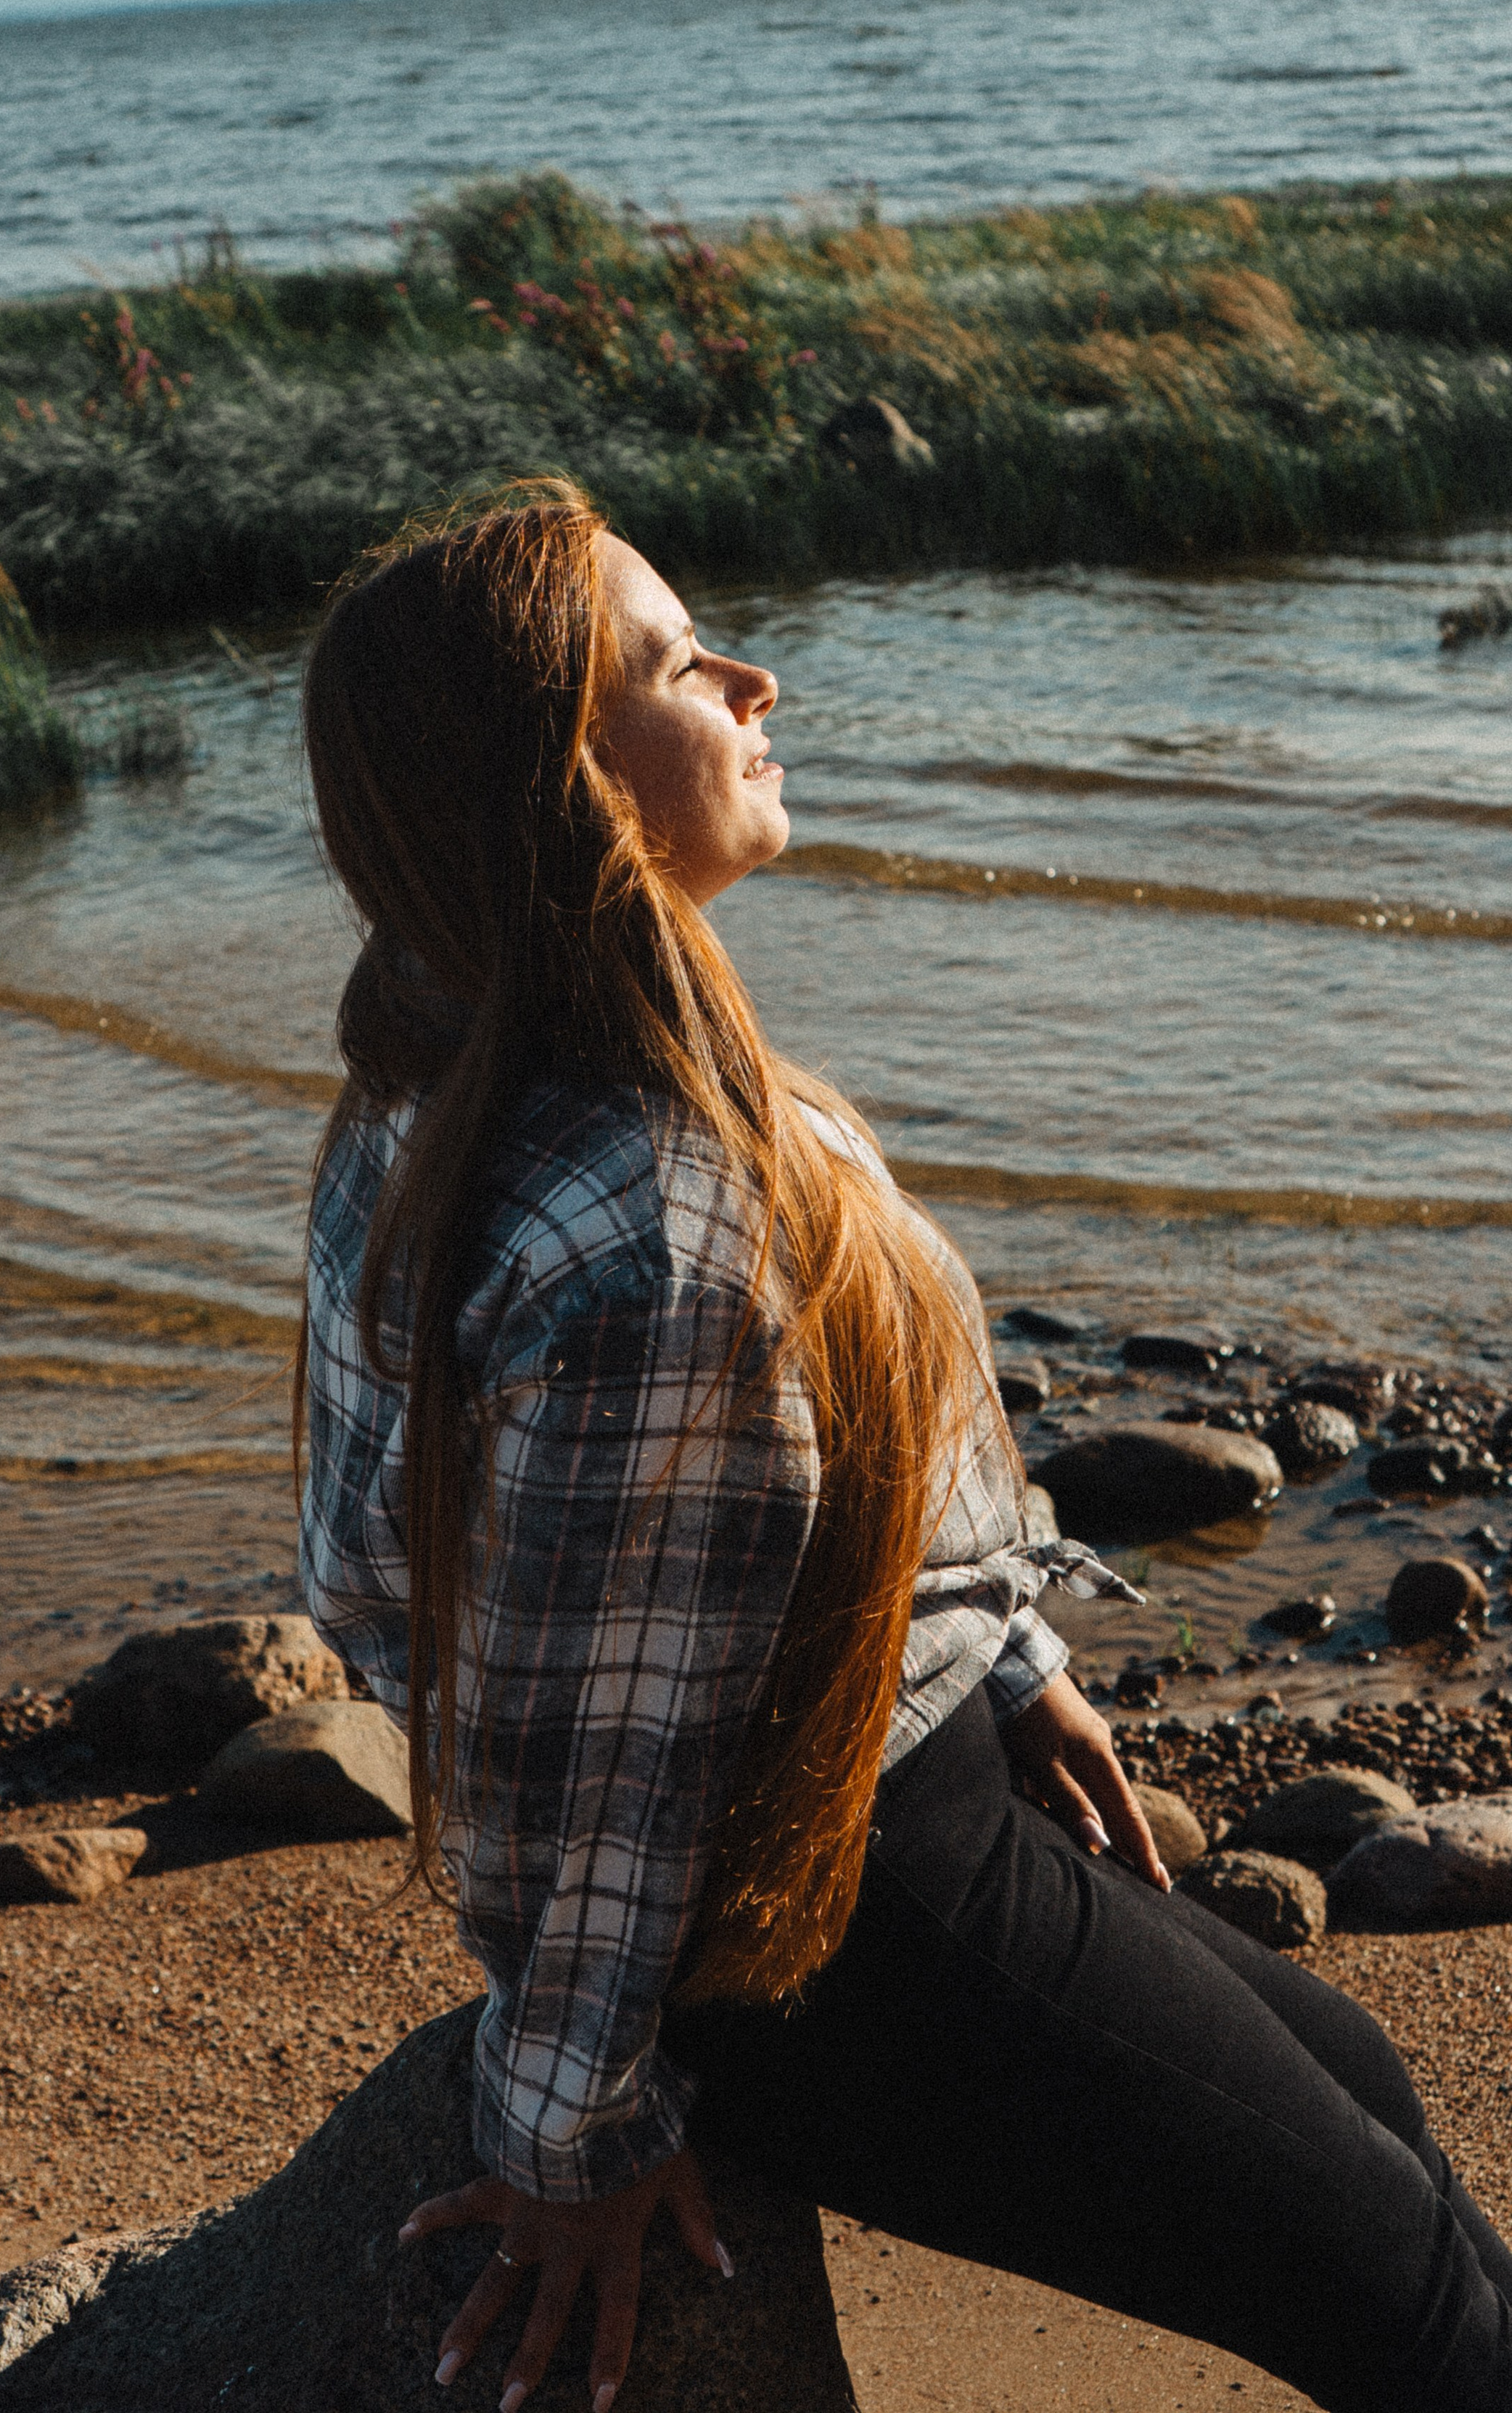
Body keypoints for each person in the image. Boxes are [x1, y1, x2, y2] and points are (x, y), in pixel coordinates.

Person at [297, 483, 1512, 2413]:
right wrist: (570, 2130)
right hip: (835, 1913)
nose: (758, 679)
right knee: (1429, 2312)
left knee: (1371, 2109)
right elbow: (583, 1768)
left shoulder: (443, 1063)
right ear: (578, 784)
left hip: (887, 1778)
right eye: (689, 666)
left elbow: (832, 1456)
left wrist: (1003, 1650)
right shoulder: (651, 1232)